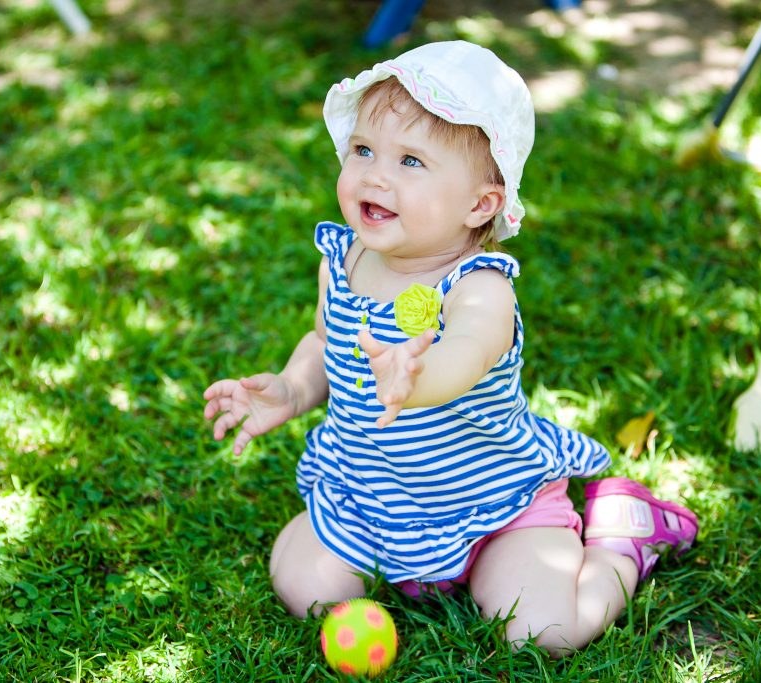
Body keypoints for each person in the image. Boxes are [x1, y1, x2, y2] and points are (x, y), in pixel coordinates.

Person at [203, 40, 698, 657]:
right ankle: (396, 561)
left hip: (492, 505)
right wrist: (295, 386)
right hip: (372, 496)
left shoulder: (479, 287)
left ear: (479, 205)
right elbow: (325, 341)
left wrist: (416, 377)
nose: (375, 174)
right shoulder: (345, 259)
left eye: (411, 161)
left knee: (543, 633)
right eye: (363, 150)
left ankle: (625, 540)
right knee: (302, 583)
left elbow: (466, 353)